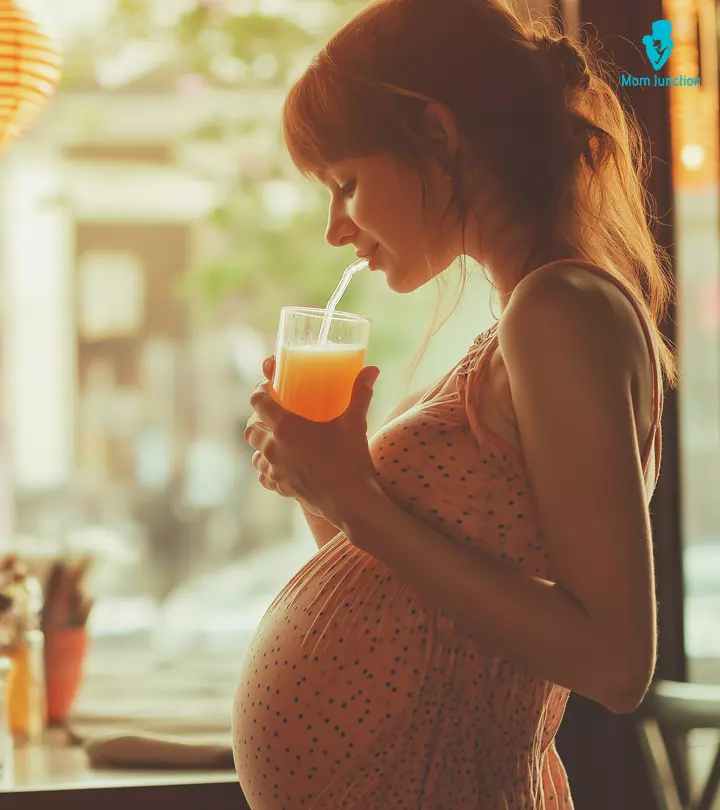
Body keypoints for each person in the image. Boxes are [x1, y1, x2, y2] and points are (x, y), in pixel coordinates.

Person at [234, 0, 680, 807]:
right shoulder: (530, 316)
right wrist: (321, 486)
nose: (336, 228)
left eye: (346, 184)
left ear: (436, 133)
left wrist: (357, 501)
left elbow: (616, 662)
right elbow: (417, 604)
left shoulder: (559, 311)